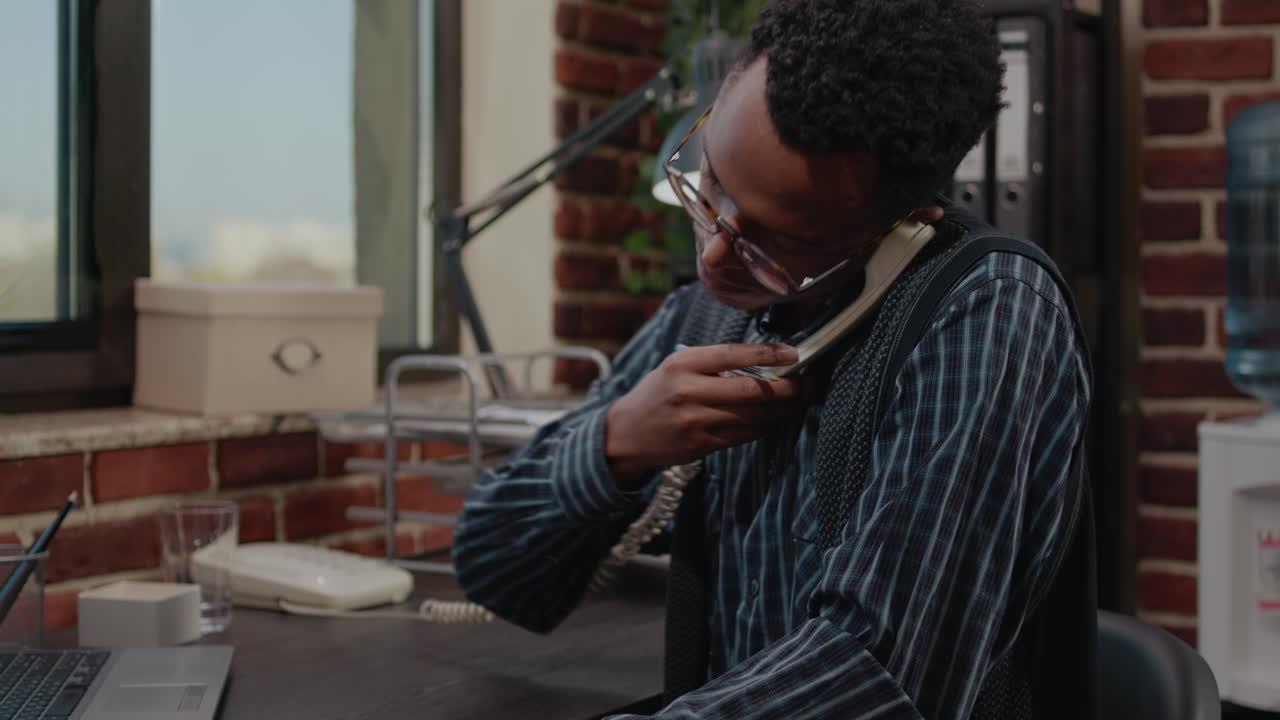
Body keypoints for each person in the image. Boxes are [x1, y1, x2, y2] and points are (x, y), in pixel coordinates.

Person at [453, 0, 1094, 717]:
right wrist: (619, 442)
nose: (714, 254)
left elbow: (879, 674)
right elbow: (489, 565)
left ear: (903, 226)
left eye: (778, 241)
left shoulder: (985, 309)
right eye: (712, 182)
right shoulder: (708, 316)